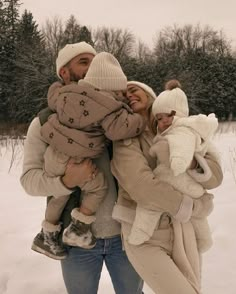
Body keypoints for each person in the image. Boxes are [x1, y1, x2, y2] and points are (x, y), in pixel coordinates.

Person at [20, 42, 144, 294]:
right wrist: (65, 181)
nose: (92, 68)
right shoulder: (44, 121)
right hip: (75, 241)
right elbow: (29, 180)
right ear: (64, 73)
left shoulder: (122, 116)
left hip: (127, 237)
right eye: (84, 62)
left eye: (95, 62)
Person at [111, 80, 223, 294]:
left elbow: (215, 177)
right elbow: (140, 186)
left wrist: (191, 162)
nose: (129, 95)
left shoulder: (184, 128)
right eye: (124, 95)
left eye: (133, 90)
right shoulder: (126, 138)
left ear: (151, 95)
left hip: (183, 230)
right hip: (144, 232)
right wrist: (192, 207)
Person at [127, 79, 219, 254]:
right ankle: (205, 240)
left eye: (169, 115)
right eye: (159, 118)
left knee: (148, 209)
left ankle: (141, 232)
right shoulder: (177, 130)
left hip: (176, 180)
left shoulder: (181, 129)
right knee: (197, 220)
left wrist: (183, 162)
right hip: (178, 196)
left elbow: (183, 149)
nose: (164, 121)